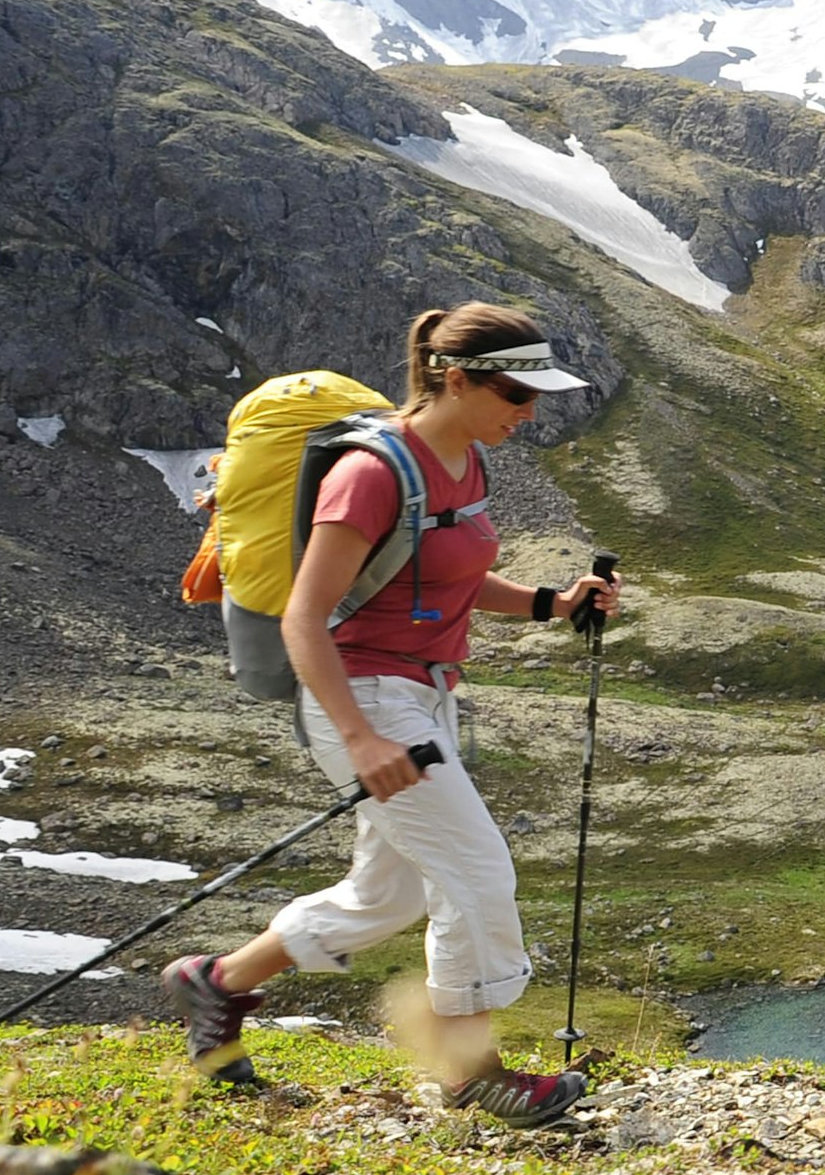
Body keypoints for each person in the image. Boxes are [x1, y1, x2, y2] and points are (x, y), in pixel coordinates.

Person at [163, 302, 620, 1123]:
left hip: (426, 695)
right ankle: (471, 1070)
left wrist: (554, 603)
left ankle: (217, 983)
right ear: (453, 376)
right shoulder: (370, 472)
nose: (529, 412)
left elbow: (444, 571)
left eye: (535, 396)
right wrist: (361, 736)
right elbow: (307, 617)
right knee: (478, 871)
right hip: (366, 697)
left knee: (389, 896)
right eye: (517, 394)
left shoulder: (465, 463)